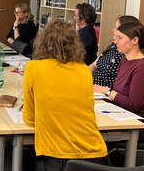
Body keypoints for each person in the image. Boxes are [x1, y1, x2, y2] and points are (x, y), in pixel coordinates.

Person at [22, 20, 107, 171]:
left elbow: (29, 119)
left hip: (56, 155)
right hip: (95, 155)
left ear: (44, 43)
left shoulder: (33, 68)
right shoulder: (84, 70)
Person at [93, 21, 144, 143]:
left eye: (120, 38)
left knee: (92, 133)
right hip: (126, 114)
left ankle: (107, 159)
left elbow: (133, 105)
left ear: (135, 40)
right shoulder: (125, 60)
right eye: (116, 37)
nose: (115, 42)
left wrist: (107, 91)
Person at [89, 15, 140, 88]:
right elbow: (94, 64)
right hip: (91, 86)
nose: (113, 30)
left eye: (116, 28)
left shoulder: (126, 54)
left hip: (104, 93)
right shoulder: (114, 45)